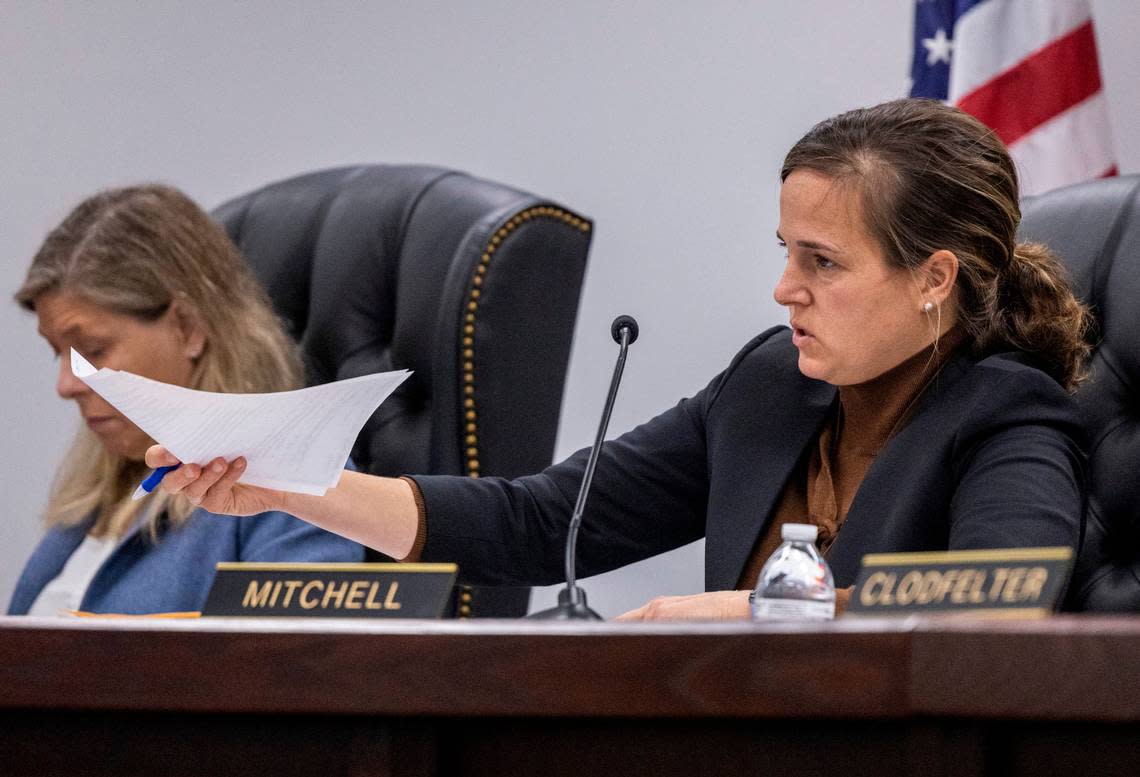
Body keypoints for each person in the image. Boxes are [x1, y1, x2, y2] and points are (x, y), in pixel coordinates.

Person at [148, 99, 1091, 619]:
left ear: (934, 276)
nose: (785, 290)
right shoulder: (769, 386)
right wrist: (286, 486)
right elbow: (538, 521)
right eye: (785, 252)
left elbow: (1003, 594)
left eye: (824, 262)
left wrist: (748, 614)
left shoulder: (1007, 412)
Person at [8, 184, 364, 616]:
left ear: (188, 327)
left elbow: (299, 672)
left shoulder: (295, 481)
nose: (66, 385)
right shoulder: (94, 498)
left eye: (93, 352)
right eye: (57, 353)